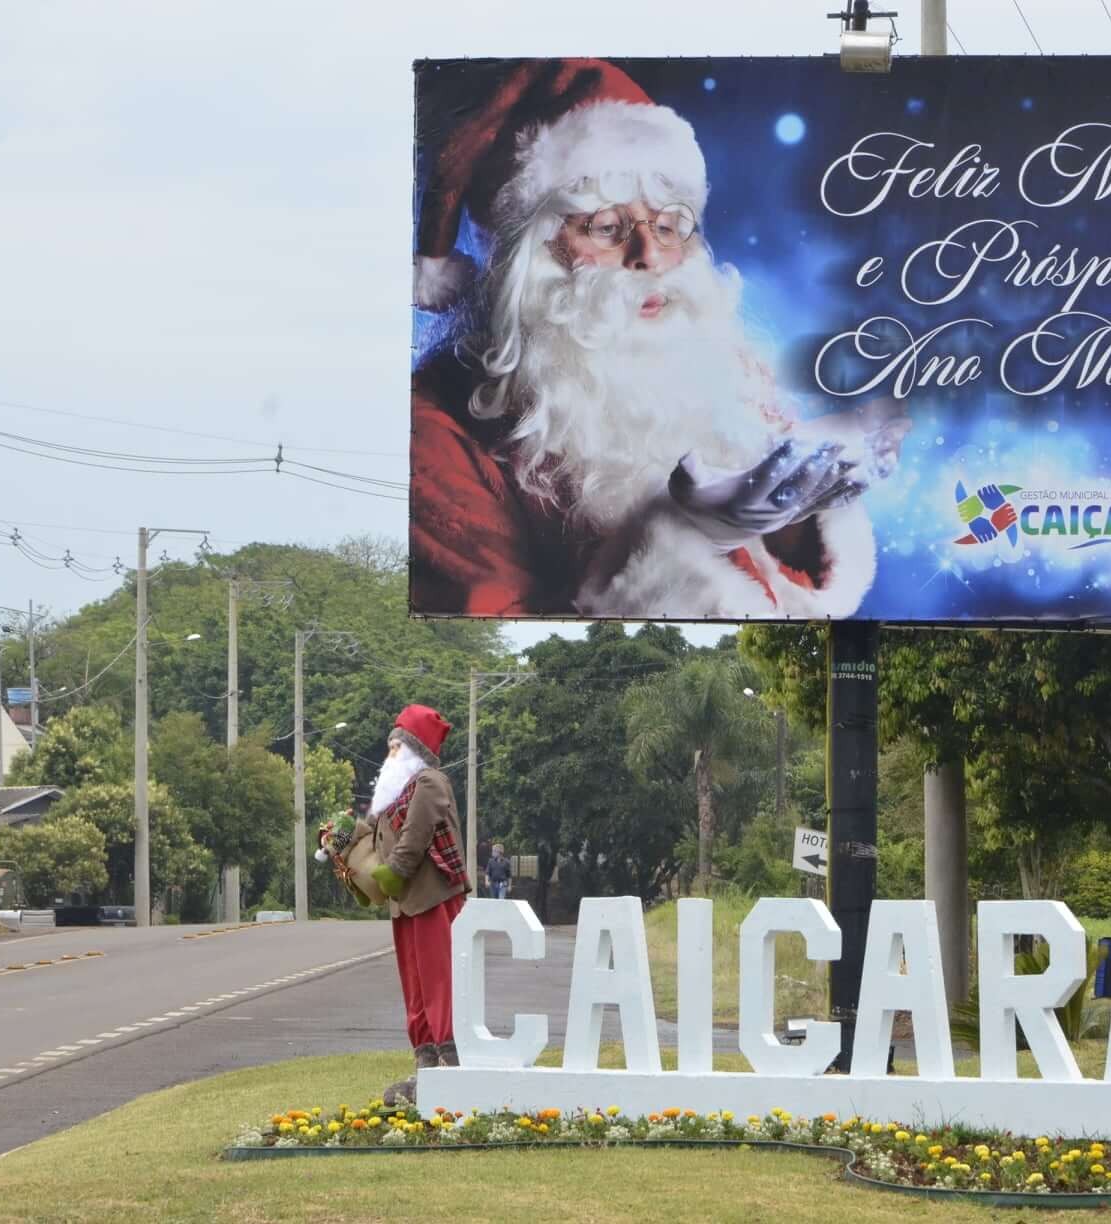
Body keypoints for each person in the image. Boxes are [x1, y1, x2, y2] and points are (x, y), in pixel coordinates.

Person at [410, 58, 906, 618]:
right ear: (531, 255)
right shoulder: (434, 430)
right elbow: (498, 637)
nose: (650, 255)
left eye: (668, 224)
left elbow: (783, 599)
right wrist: (683, 538)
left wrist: (804, 509)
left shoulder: (727, 370)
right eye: (605, 227)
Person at [360, 705, 470, 1107]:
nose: (390, 751)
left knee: (439, 981)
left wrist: (390, 874)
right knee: (416, 987)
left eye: (396, 744)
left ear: (413, 748)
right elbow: (370, 832)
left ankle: (449, 1058)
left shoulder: (429, 782)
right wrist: (336, 842)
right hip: (405, 901)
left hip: (432, 898)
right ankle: (425, 1060)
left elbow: (414, 837)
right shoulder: (394, 789)